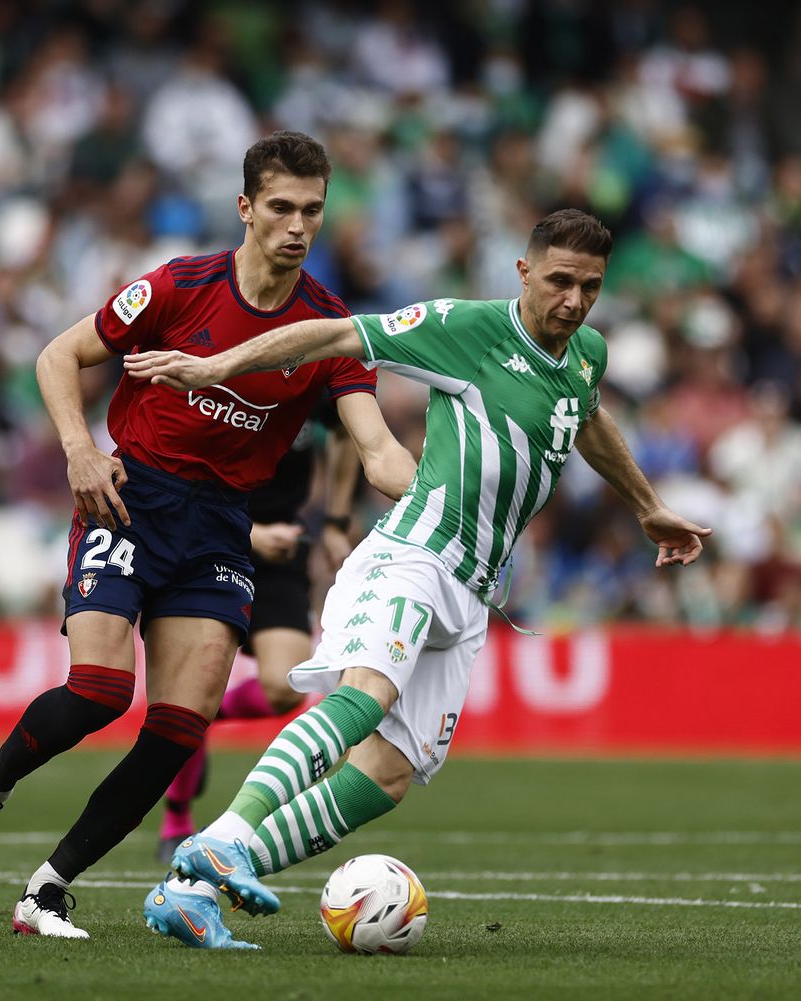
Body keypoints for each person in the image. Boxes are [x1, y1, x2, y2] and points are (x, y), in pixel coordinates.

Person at [123, 208, 712, 950]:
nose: (573, 300)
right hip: (414, 554)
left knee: (389, 773)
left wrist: (649, 505)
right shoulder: (466, 330)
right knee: (367, 693)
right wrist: (216, 366)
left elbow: (584, 418)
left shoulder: (586, 351)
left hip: (473, 592)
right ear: (524, 271)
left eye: (590, 286)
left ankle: (191, 887)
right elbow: (339, 336)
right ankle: (229, 832)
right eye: (559, 281)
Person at [0, 131, 416, 942]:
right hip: (131, 497)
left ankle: (47, 889)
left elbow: (374, 447)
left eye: (313, 211)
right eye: (282, 207)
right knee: (101, 690)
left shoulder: (327, 328)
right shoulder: (180, 287)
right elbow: (58, 355)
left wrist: (439, 493)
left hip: (223, 525)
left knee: (179, 729)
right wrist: (81, 451)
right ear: (246, 207)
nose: (298, 226)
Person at [154, 407, 359, 862]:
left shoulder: (316, 371)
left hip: (282, 551)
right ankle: (177, 823)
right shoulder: (222, 370)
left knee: (287, 687)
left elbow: (348, 430)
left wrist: (335, 520)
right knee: (189, 689)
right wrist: (250, 532)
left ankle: (204, 718)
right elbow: (178, 476)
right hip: (207, 544)